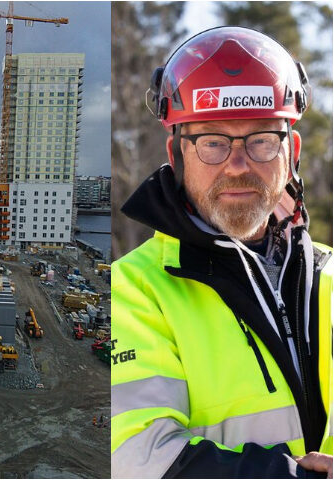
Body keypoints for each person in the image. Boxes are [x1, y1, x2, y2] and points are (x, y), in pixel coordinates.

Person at [110, 27, 332, 478]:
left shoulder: (330, 275)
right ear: (176, 154)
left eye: (262, 139)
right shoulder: (128, 292)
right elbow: (134, 456)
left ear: (291, 152)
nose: (237, 164)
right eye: (212, 142)